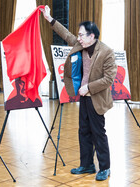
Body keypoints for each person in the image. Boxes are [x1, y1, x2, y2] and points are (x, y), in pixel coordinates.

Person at [40, 5, 117, 181]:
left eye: (82, 35)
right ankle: (88, 164)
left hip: (96, 98)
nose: (79, 38)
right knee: (83, 131)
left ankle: (105, 167)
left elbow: (108, 79)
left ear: (92, 36)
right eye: (79, 35)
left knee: (99, 132)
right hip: (84, 97)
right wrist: (50, 18)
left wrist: (88, 87)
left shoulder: (106, 52)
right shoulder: (80, 44)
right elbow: (65, 34)